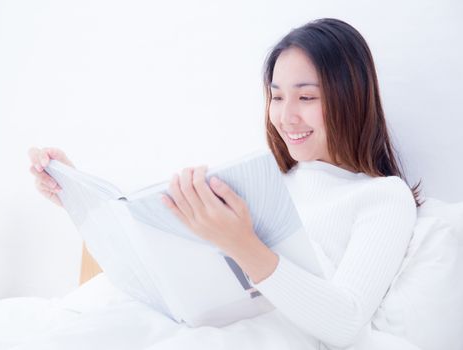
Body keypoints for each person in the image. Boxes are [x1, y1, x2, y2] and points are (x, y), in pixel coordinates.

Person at [29, 18, 422, 349]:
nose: (286, 117)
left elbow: (344, 321)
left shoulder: (382, 197)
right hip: (189, 323)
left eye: (306, 97)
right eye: (276, 96)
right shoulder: (264, 181)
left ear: (350, 98)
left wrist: (241, 244)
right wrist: (79, 197)